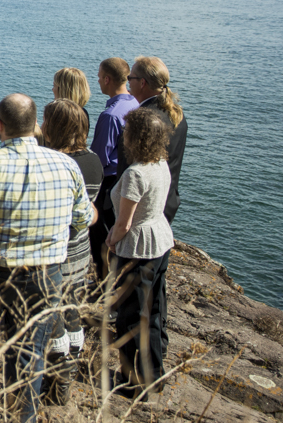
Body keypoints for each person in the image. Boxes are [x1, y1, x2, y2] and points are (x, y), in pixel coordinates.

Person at [0, 94, 96, 423]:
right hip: (44, 276)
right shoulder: (67, 166)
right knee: (28, 356)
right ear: (35, 125)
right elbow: (82, 221)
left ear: (1, 126)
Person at [106, 108, 175, 395]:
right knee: (155, 311)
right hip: (159, 241)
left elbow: (124, 222)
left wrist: (110, 240)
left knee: (131, 316)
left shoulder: (135, 173)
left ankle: (132, 381)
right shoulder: (160, 164)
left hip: (137, 247)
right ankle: (154, 374)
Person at [40, 99, 104, 404]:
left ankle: (60, 377)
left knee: (54, 318)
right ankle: (72, 368)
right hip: (82, 250)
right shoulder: (93, 160)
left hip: (58, 252)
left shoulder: (60, 164)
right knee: (73, 312)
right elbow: (90, 210)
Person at [88, 57, 139, 280]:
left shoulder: (110, 116)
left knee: (99, 236)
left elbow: (99, 159)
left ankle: (103, 284)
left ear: (107, 79)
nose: (98, 81)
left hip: (108, 184)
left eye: (99, 77)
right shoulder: (135, 104)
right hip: (126, 179)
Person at [122, 57, 187, 224]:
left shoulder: (142, 120)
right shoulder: (176, 114)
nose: (128, 81)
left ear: (142, 83)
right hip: (166, 202)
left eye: (131, 78)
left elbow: (127, 164)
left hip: (140, 208)